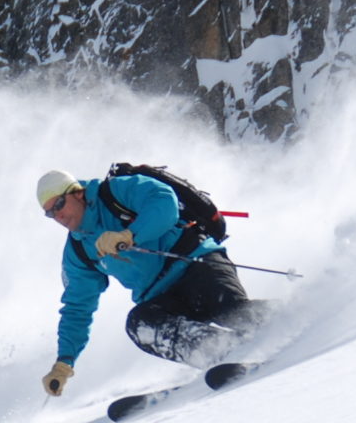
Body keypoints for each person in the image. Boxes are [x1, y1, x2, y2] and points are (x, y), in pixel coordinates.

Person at [35, 167, 265, 397]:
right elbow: (77, 306)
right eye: (50, 214)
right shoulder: (78, 249)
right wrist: (65, 362)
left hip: (196, 263)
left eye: (59, 205)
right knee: (140, 324)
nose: (58, 216)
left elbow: (164, 204)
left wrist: (130, 234)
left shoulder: (115, 192)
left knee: (230, 311)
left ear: (77, 193)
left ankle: (286, 320)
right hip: (161, 295)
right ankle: (223, 353)